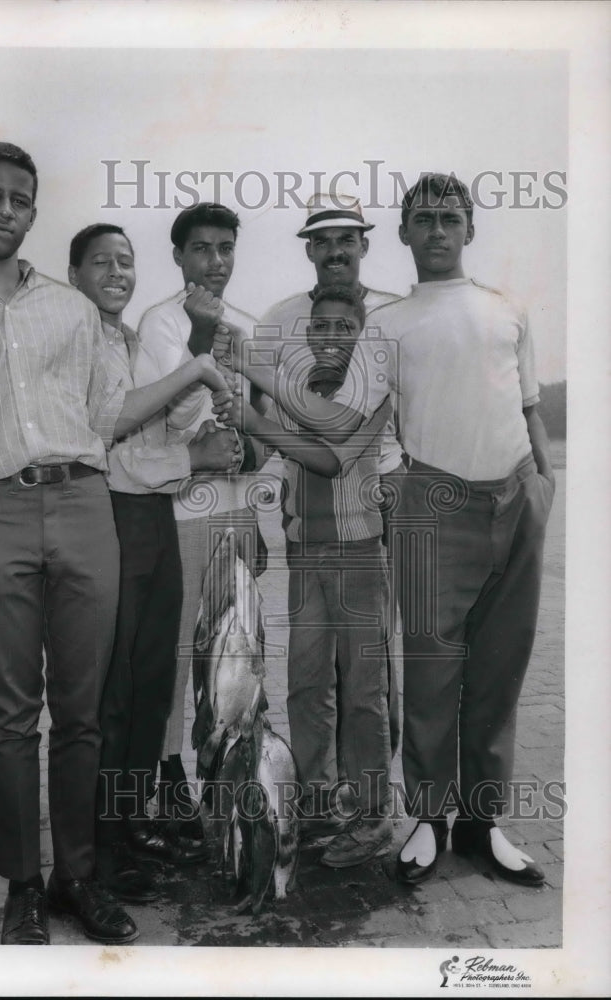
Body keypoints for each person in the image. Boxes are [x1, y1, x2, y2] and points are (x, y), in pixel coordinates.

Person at [0, 143, 237, 949]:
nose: (6, 211)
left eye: (21, 200)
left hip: (85, 508)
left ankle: (78, 876)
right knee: (11, 715)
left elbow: (113, 415)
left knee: (82, 713)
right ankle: (21, 887)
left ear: (33, 213)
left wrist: (194, 371)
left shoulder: (72, 313)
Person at [214, 172, 554, 888]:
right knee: (368, 677)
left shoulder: (463, 311)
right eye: (422, 219)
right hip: (367, 517)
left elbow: (523, 406)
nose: (436, 231)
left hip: (447, 510)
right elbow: (309, 430)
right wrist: (252, 430)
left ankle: (448, 820)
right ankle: (369, 815)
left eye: (448, 218)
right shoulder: (334, 321)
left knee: (454, 675)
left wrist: (541, 485)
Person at [67, 223, 240, 897]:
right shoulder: (74, 341)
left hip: (152, 516)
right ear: (75, 273)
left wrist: (197, 372)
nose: (116, 272)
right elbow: (107, 445)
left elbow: (168, 421)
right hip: (110, 517)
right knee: (113, 693)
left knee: (148, 683)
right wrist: (191, 454)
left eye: (125, 261)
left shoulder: (133, 342)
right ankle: (101, 849)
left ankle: (132, 818)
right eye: (100, 262)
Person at [221, 284, 395, 866]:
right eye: (319, 328)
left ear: (362, 336)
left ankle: (372, 817)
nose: (329, 339)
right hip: (305, 555)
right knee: (306, 683)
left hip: (358, 556)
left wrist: (255, 414)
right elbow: (263, 456)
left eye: (344, 329)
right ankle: (321, 803)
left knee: (363, 692)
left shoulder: (374, 391)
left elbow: (330, 455)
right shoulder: (293, 393)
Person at [133, 202, 262, 838]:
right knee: (179, 649)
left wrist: (253, 477)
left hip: (238, 513)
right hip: (181, 511)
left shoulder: (248, 324)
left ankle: (225, 768)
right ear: (179, 256)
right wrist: (202, 344)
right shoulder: (159, 324)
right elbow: (163, 425)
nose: (216, 261)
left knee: (234, 649)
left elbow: (261, 434)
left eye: (226, 248)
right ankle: (168, 772)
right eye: (203, 248)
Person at [260, 192, 402, 763]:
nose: (335, 250)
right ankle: (317, 797)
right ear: (310, 249)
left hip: (374, 511)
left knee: (367, 670)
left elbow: (352, 438)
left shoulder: (393, 313)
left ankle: (367, 802)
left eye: (347, 238)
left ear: (365, 243)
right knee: (308, 674)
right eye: (322, 240)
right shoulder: (281, 318)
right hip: (306, 530)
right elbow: (273, 430)